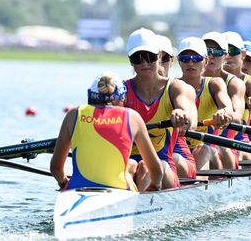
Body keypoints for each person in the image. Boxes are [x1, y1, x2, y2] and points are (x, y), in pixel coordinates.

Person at [50, 71, 163, 192]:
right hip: (121, 191)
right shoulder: (133, 117)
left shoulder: (73, 115)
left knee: (131, 164)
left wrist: (64, 184)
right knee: (132, 166)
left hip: (77, 189)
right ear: (122, 97)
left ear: (91, 95)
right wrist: (153, 187)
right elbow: (157, 172)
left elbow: (56, 168)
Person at [124, 28, 197, 189]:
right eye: (138, 58)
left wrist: (181, 114)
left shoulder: (175, 87)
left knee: (145, 166)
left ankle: (137, 208)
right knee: (127, 165)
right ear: (130, 60)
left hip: (163, 167)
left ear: (158, 56)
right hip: (130, 165)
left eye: (149, 57)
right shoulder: (122, 90)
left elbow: (187, 113)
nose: (144, 63)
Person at [177, 36, 233, 171]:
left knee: (204, 149)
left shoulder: (214, 84)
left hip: (210, 148)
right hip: (180, 149)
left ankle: (196, 188)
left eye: (196, 58)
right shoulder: (173, 87)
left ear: (206, 61)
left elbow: (228, 108)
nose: (190, 63)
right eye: (185, 59)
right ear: (179, 62)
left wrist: (223, 113)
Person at [202, 31, 246, 169]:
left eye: (216, 52)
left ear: (225, 56)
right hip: (192, 143)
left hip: (225, 144)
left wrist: (225, 114)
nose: (210, 56)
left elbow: (238, 117)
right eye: (207, 51)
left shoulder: (234, 84)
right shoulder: (184, 82)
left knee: (209, 149)